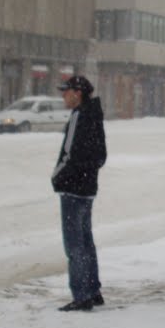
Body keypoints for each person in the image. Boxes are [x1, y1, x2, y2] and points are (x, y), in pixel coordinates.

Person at [51, 75, 107, 312]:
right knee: (86, 242)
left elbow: (69, 153)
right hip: (87, 188)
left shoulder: (79, 116)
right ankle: (93, 290)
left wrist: (57, 176)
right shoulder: (95, 115)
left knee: (74, 245)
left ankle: (81, 295)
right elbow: (101, 155)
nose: (63, 96)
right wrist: (88, 173)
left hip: (73, 189)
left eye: (66, 91)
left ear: (78, 93)